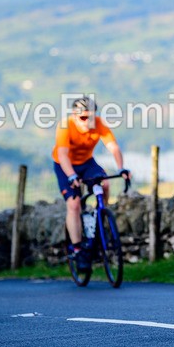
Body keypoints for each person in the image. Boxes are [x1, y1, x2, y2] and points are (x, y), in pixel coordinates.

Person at [52, 96, 129, 271]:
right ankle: (78, 249)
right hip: (65, 166)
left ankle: (101, 216)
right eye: (83, 118)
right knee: (74, 204)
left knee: (105, 185)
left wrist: (121, 168)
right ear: (74, 115)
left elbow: (113, 147)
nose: (88, 121)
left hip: (87, 163)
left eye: (91, 117)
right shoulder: (65, 126)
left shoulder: (99, 123)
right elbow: (63, 155)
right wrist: (71, 176)